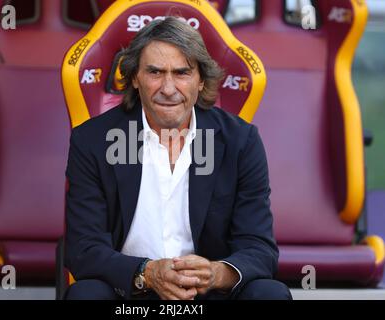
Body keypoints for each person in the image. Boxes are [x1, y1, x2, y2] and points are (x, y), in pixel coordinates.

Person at [65, 17, 291, 300]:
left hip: (207, 295)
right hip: (131, 293)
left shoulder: (240, 141)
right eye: (155, 72)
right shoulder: (93, 141)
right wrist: (147, 273)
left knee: (269, 294)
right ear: (135, 77)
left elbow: (260, 248)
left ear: (200, 81)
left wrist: (215, 273)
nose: (169, 88)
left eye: (182, 73)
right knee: (85, 295)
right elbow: (83, 249)